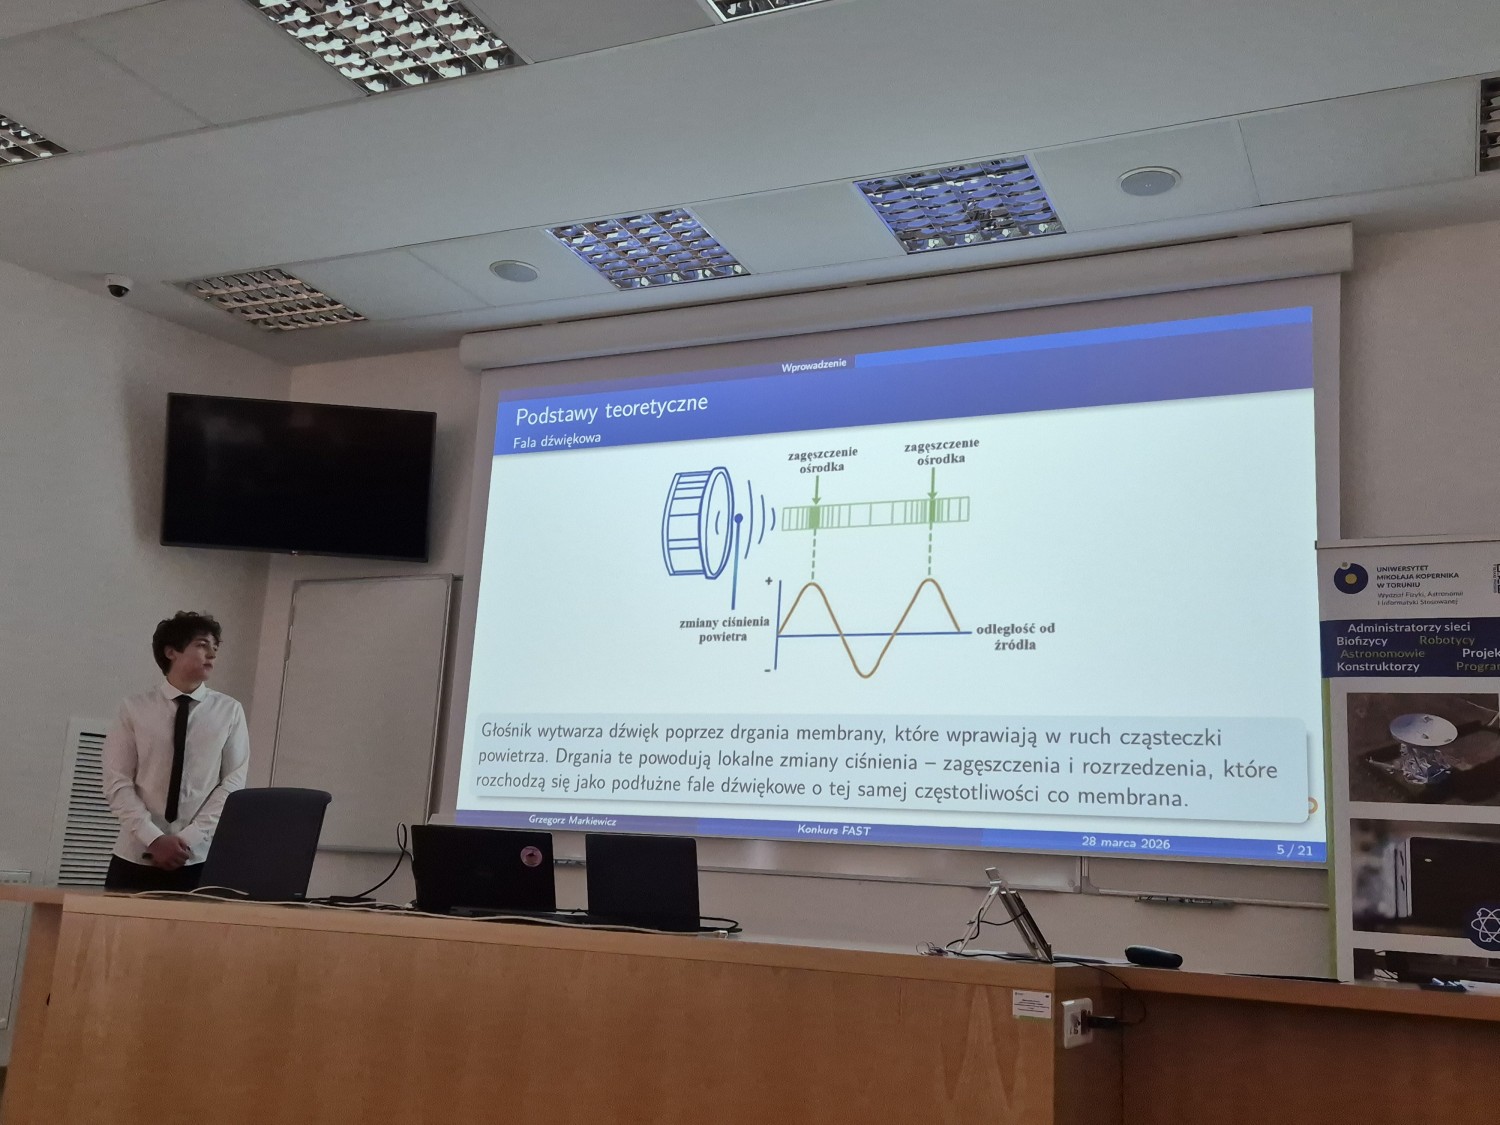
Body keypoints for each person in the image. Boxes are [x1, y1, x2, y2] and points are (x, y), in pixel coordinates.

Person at [101, 611, 249, 892]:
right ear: (171, 652)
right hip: (135, 856)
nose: (212, 655)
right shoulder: (134, 708)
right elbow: (116, 781)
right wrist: (154, 839)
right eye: (202, 645)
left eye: (215, 648)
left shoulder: (229, 711)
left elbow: (233, 783)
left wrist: (189, 838)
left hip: (199, 859)